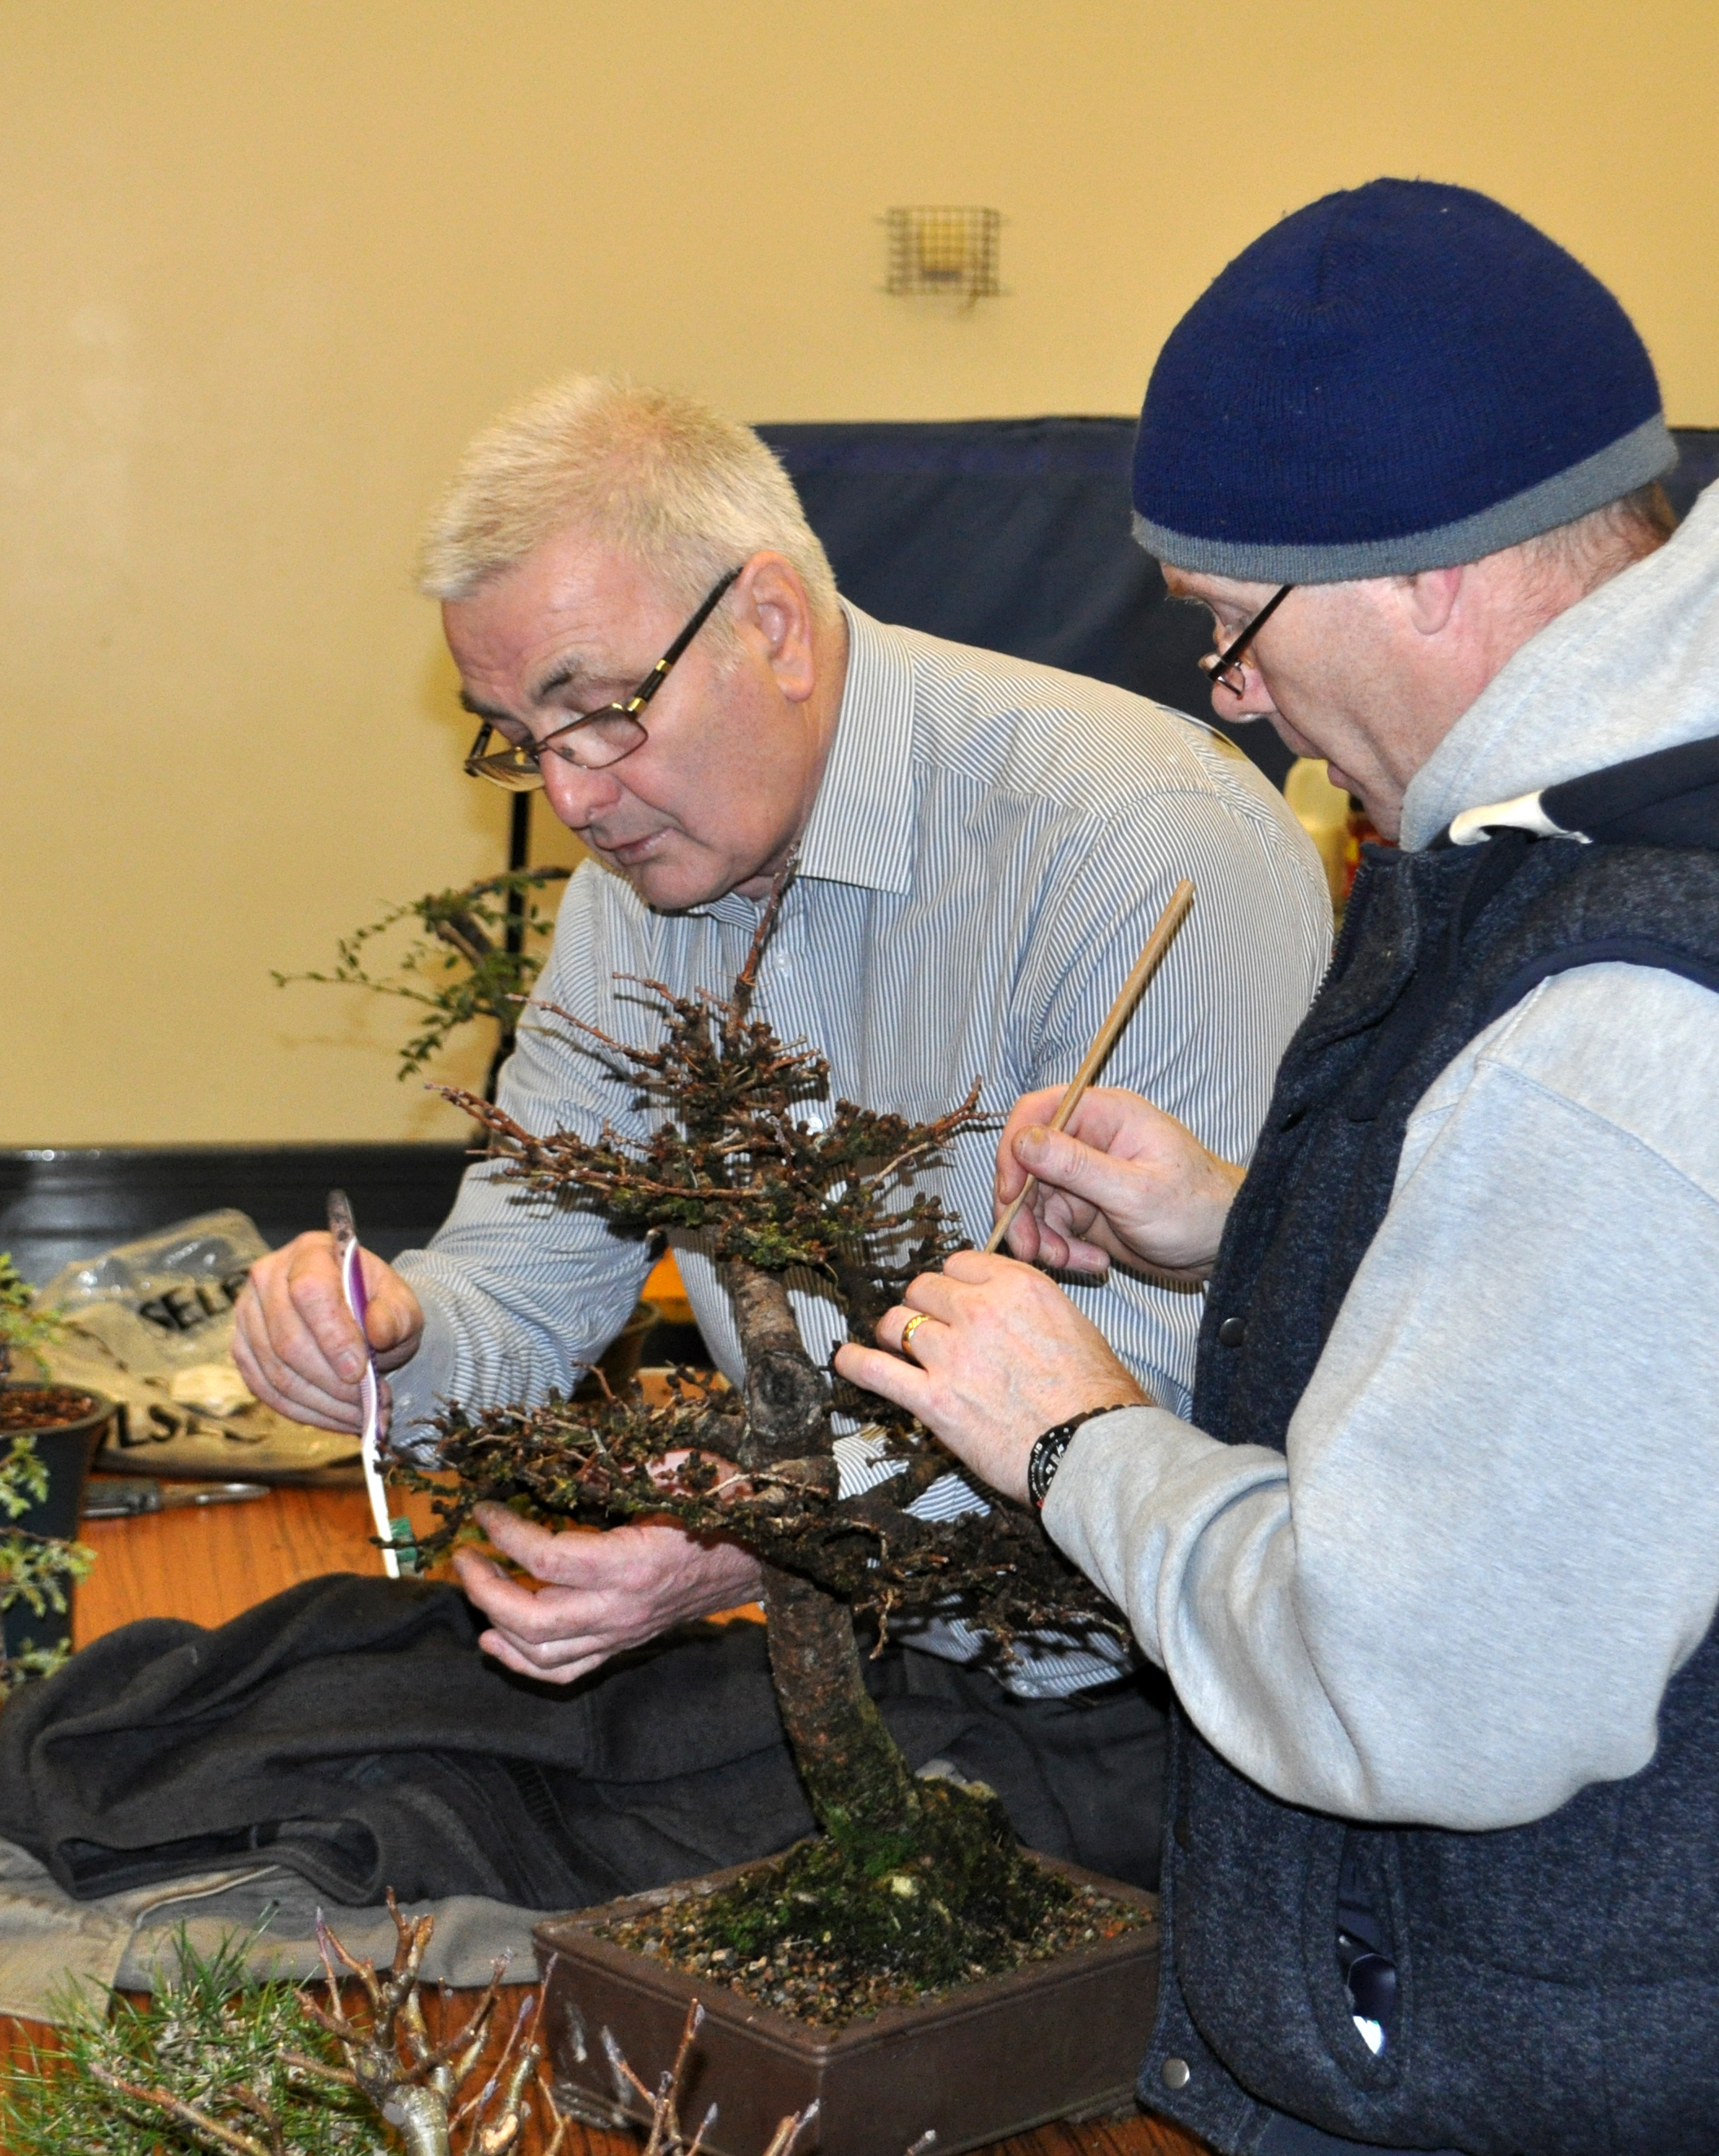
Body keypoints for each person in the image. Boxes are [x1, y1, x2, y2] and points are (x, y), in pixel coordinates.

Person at [836, 181, 1719, 2156]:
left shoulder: (1637, 1013)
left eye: (1225, 628)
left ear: (1420, 578)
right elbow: (1694, 1347)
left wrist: (1065, 1433)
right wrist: (1224, 1222)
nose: (1229, 704)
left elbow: (1410, 1682)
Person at [232, 377, 1331, 1887]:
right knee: (258, 1728)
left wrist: (754, 1545)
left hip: (1148, 1704)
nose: (570, 792)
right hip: (843, 1645)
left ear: (776, 625)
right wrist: (394, 1335)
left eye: (600, 710)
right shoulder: (646, 882)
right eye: (514, 739)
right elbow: (528, 1280)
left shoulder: (1137, 846)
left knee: (443, 1851)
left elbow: (1156, 1393)